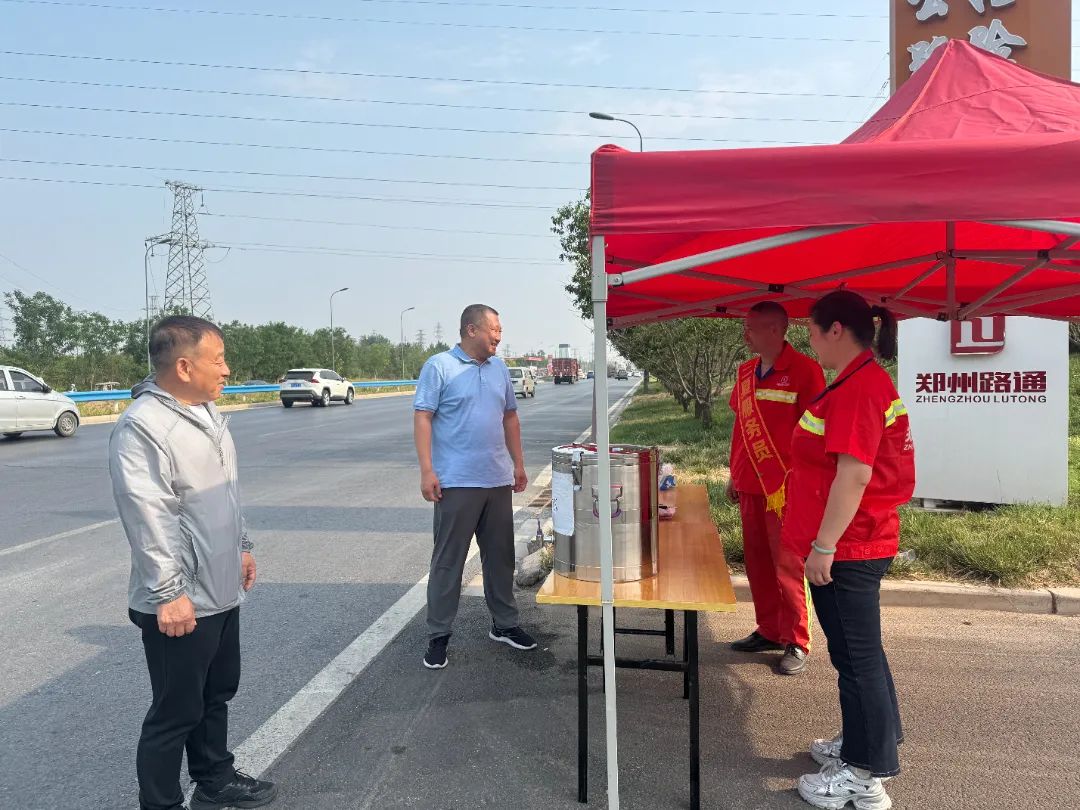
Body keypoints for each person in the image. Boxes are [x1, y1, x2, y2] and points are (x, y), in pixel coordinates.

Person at [109, 316, 277, 810]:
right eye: (218, 360)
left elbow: (223, 495)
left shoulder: (205, 412)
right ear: (184, 367)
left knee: (216, 692)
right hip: (180, 597)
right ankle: (160, 803)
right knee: (175, 712)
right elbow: (148, 515)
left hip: (219, 585)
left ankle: (213, 779)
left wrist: (241, 545)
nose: (226, 370)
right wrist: (168, 594)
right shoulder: (144, 425)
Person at [780, 291, 915, 810]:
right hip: (855, 540)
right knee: (860, 655)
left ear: (836, 330)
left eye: (811, 332)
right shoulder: (858, 380)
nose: (809, 342)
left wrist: (823, 546)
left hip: (849, 546)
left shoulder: (859, 388)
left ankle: (865, 774)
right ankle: (867, 740)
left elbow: (854, 474)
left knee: (856, 660)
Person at [413, 304, 537, 670]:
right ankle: (438, 635)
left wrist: (518, 464)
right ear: (471, 330)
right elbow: (423, 417)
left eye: (500, 329)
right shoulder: (439, 366)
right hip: (456, 482)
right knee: (448, 561)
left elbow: (510, 417)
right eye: (494, 329)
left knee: (500, 558)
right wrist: (427, 470)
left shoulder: (499, 369)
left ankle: (505, 624)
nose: (499, 335)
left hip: (496, 479)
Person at [726, 301, 825, 675]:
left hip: (785, 489)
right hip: (750, 484)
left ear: (774, 330)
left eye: (750, 328)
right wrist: (733, 473)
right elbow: (740, 428)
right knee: (757, 563)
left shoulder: (806, 371)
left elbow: (818, 434)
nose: (744, 336)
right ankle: (768, 629)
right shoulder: (746, 372)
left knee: (787, 564)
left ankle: (796, 639)